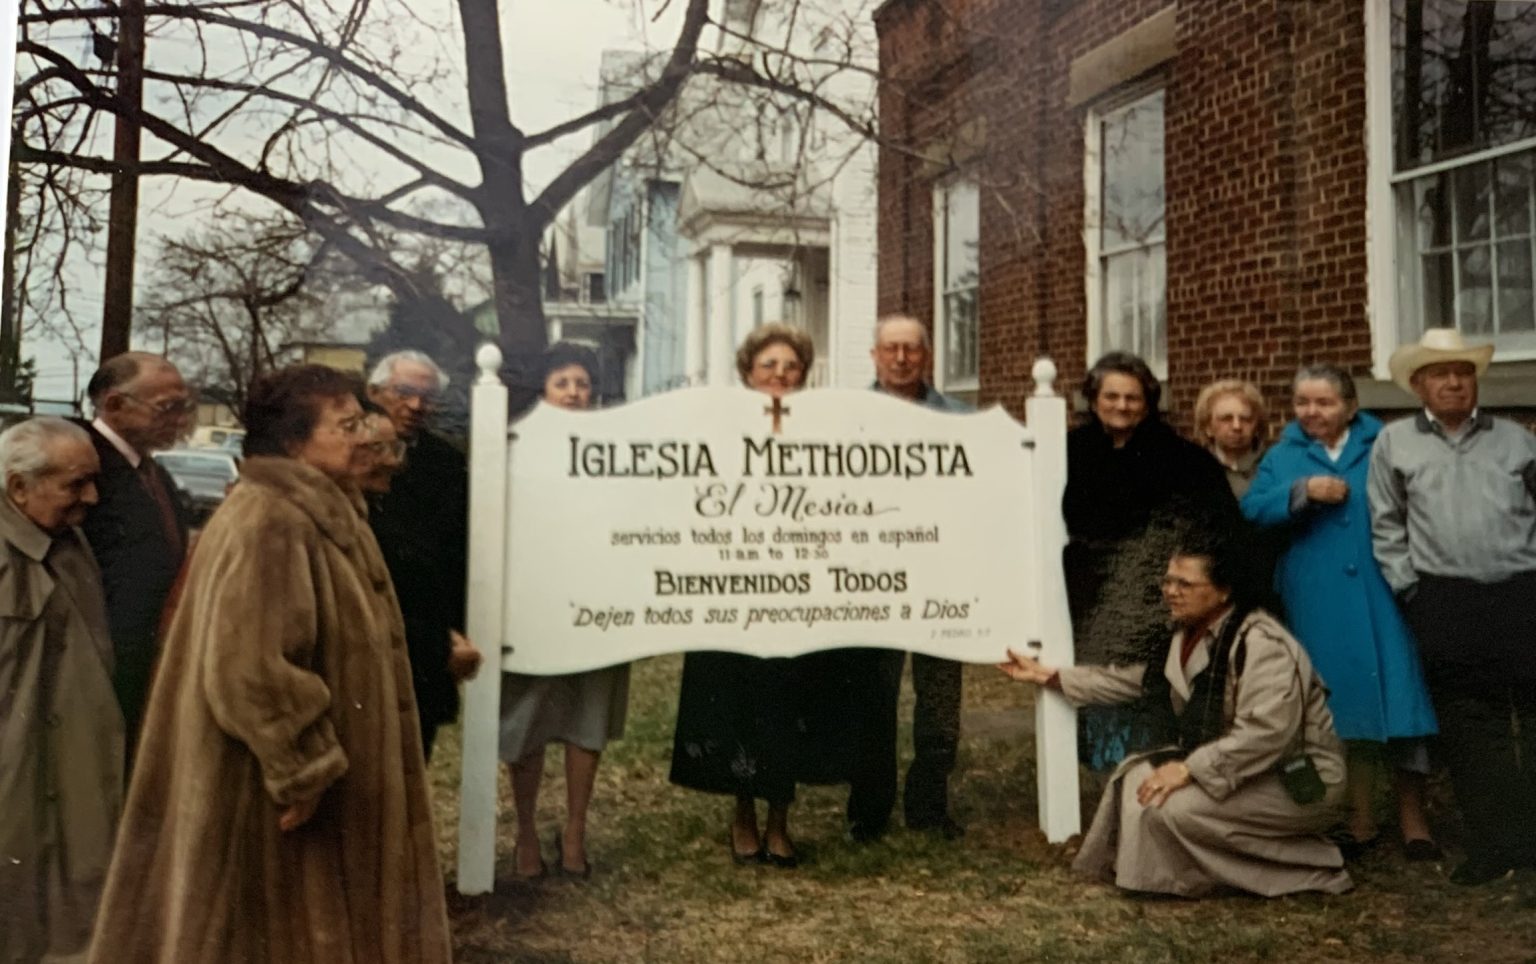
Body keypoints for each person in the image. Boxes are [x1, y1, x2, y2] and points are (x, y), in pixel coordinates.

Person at [89, 365, 451, 964]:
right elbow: (251, 668)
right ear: (293, 442)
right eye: (346, 426)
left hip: (294, 792)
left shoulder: (320, 512)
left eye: (361, 422)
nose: (365, 437)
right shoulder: (274, 520)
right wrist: (303, 768)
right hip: (268, 799)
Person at [1000, 536, 1352, 898]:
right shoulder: (1188, 634)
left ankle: (1313, 864)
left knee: (1174, 809)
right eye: (1168, 581)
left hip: (1298, 777)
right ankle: (1162, 876)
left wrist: (1188, 769)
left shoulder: (1263, 644)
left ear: (1224, 591)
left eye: (1184, 584)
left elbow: (1267, 734)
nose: (1170, 591)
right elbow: (1134, 682)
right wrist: (1050, 676)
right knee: (1137, 779)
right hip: (1242, 768)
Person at [1241, 365, 1438, 859]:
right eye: (1302, 402)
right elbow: (1252, 510)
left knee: (1404, 703)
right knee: (1344, 709)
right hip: (1317, 597)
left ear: (1350, 406)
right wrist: (1301, 492)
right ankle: (1360, 817)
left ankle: (1415, 822)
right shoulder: (1284, 455)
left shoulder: (1383, 443)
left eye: (1324, 402)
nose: (1311, 412)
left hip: (1383, 588)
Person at [1369, 328, 1536, 886]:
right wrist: (1410, 589)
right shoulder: (1395, 443)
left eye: (1462, 372)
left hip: (1521, 591)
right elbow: (1386, 522)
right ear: (1418, 385)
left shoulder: (1516, 439)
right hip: (1445, 598)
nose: (1453, 383)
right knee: (1469, 723)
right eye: (1439, 374)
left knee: (1531, 715)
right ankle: (1493, 843)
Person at [671, 324, 821, 866]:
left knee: (789, 701)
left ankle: (779, 820)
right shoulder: (718, 430)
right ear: (747, 373)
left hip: (800, 589)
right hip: (732, 588)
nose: (780, 375)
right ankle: (743, 816)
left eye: (791, 366)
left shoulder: (823, 432)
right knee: (738, 699)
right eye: (768, 366)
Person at [1063, 352, 1237, 771]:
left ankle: (1148, 775)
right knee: (1096, 693)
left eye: (1133, 398)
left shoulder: (1181, 458)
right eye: (1111, 396)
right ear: (1093, 399)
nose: (1122, 406)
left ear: (1148, 403)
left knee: (1146, 697)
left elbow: (1215, 528)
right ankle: (1109, 778)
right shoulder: (1070, 452)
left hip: (1155, 604)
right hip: (1089, 602)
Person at [502, 342, 630, 879]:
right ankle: (526, 832)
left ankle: (575, 831)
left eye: (582, 384)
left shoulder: (617, 448)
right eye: (563, 384)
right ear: (543, 389)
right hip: (531, 606)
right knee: (527, 722)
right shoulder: (511, 445)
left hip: (596, 603)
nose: (574, 393)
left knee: (587, 719)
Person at [0, 418, 121, 963]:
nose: (92, 498)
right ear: (18, 487)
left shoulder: (69, 544)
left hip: (71, 777)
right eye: (75, 484)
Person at [862, 314, 970, 840]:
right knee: (872, 695)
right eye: (891, 348)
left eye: (911, 349)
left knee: (941, 699)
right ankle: (869, 807)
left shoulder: (962, 420)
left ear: (926, 356)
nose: (901, 358)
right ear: (874, 355)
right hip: (872, 577)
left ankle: (928, 805)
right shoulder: (847, 419)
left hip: (940, 576)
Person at [78, 352, 194, 764]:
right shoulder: (80, 464)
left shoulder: (153, 473)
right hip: (95, 666)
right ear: (115, 405)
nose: (180, 420)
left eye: (184, 406)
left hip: (143, 661)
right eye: (168, 407)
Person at [366, 349, 480, 759]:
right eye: (404, 392)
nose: (415, 406)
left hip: (428, 640)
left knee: (415, 760)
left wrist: (455, 631)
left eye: (427, 397)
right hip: (367, 632)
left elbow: (459, 555)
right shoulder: (351, 457)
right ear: (374, 392)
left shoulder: (447, 463)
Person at [1193, 378, 1267, 499]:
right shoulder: (1195, 471)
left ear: (1257, 426)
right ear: (1208, 427)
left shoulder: (1272, 467)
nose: (1237, 426)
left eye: (1245, 419)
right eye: (1226, 419)